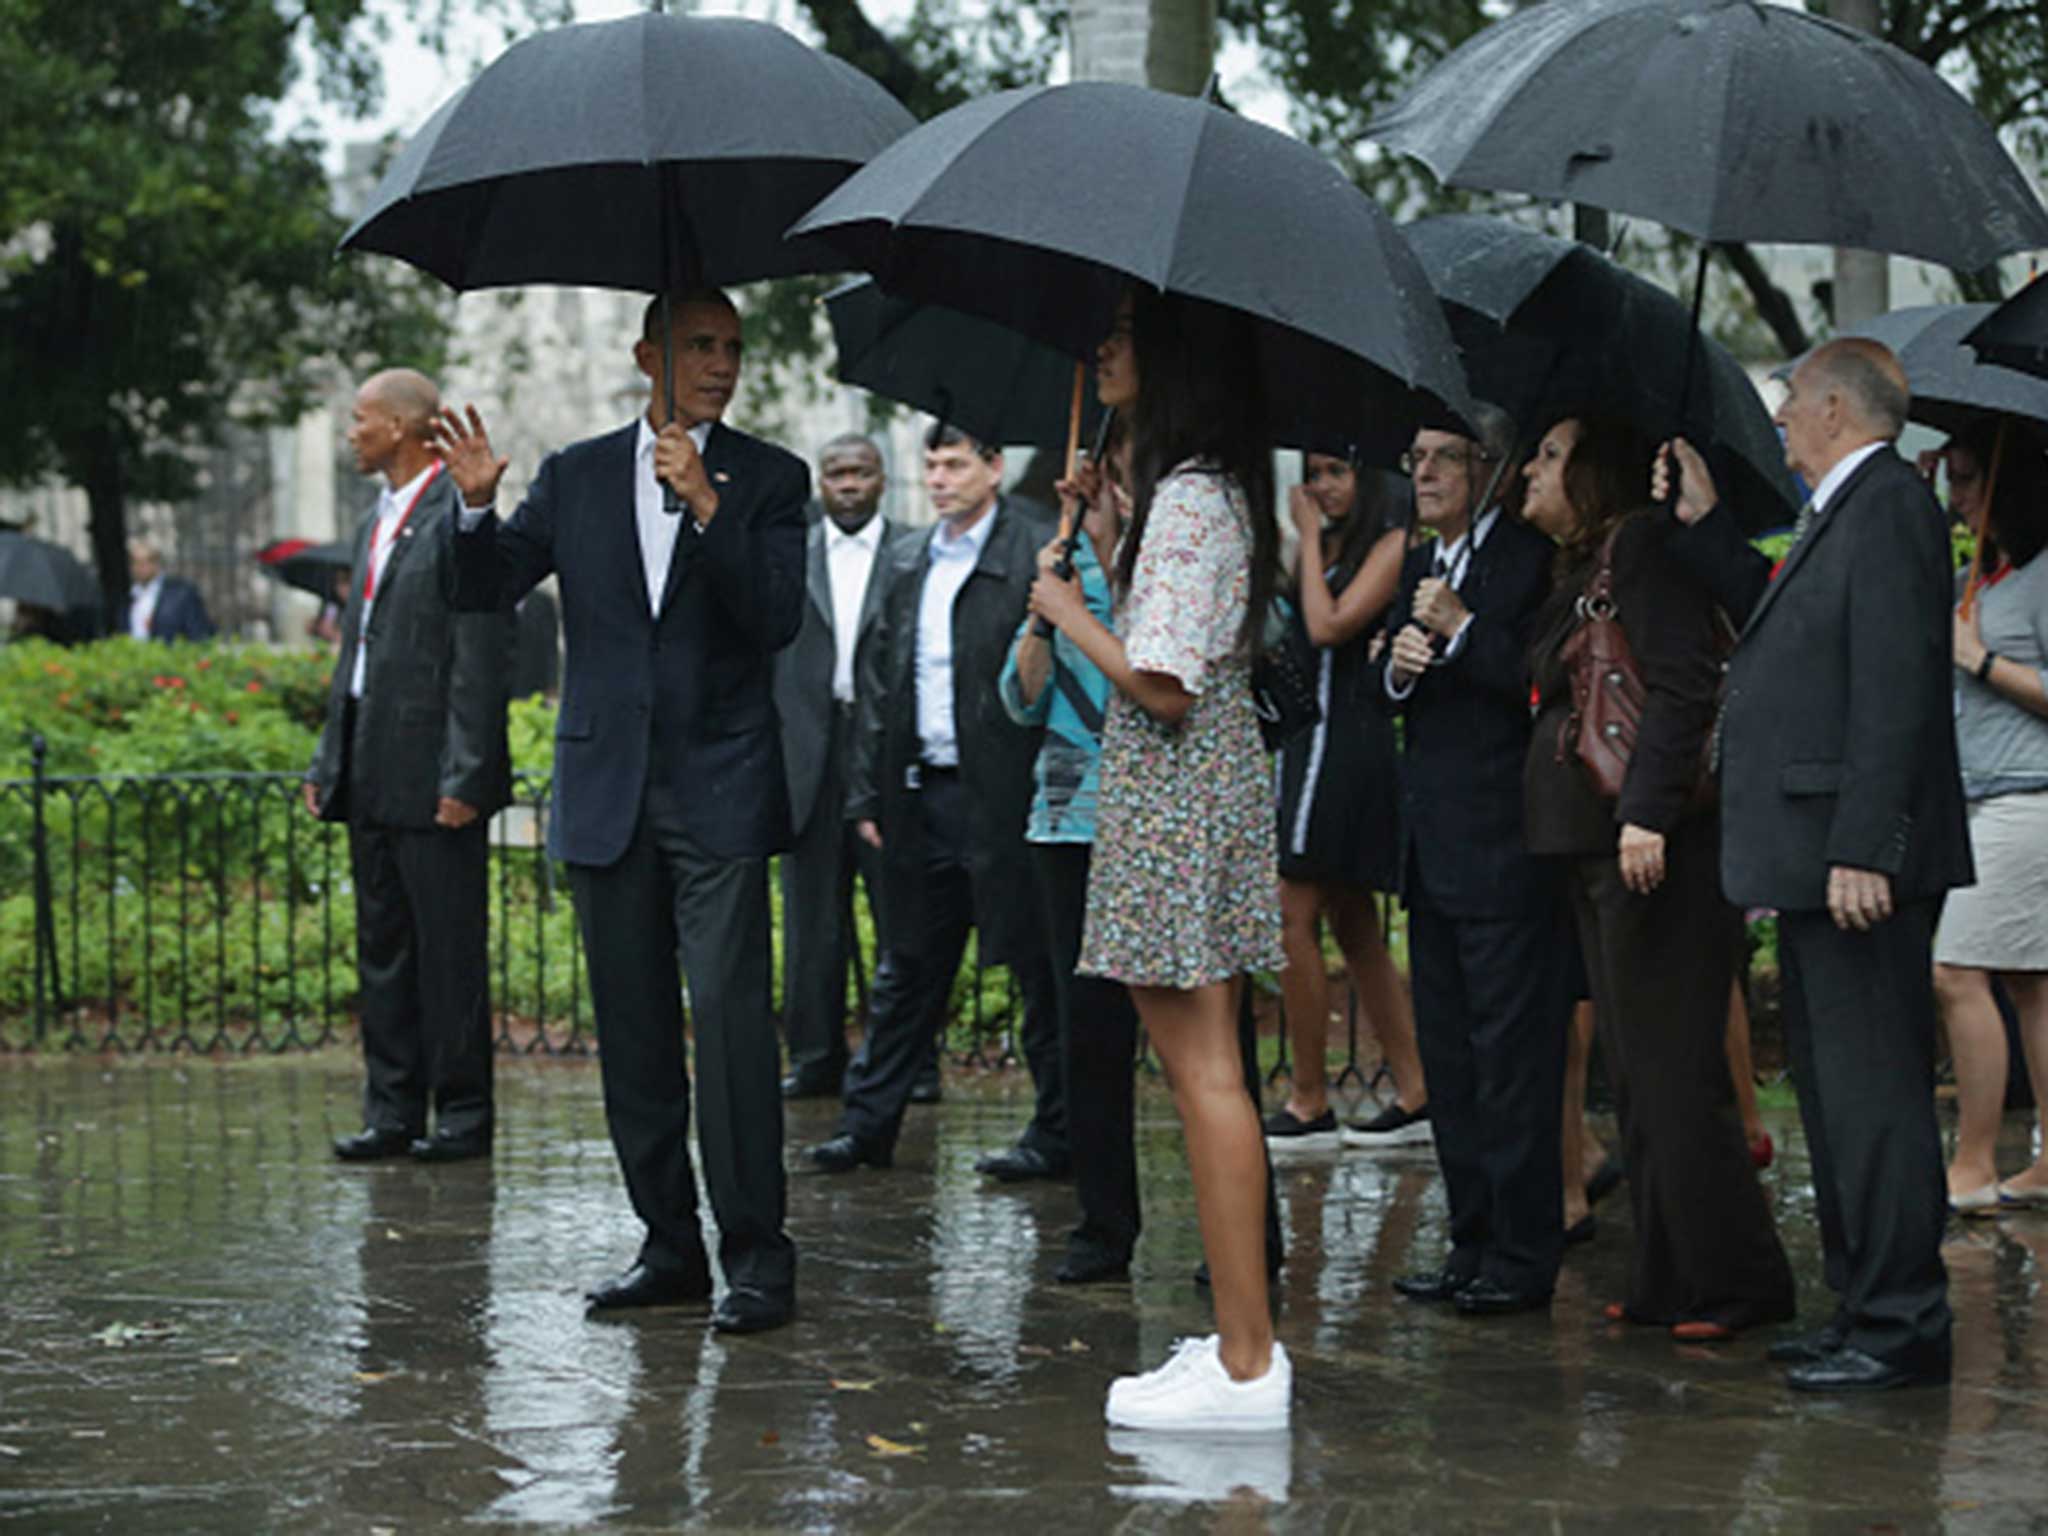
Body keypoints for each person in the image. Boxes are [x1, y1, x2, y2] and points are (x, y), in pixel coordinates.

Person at [432, 291, 807, 1335]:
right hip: (606, 794)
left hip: (721, 792)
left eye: (732, 348)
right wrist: (470, 509)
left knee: (731, 1033)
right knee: (634, 1035)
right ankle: (669, 1247)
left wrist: (706, 506)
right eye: (699, 345)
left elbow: (775, 618)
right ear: (648, 355)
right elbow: (484, 590)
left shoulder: (770, 479)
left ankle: (758, 1260)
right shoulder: (576, 474)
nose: (720, 364)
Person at [1660, 336, 1973, 1391]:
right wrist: (1703, 524)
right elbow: (1777, 624)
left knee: (1875, 1095)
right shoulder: (1838, 510)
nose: (1780, 417)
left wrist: (1861, 846)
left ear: (1835, 407)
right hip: (1807, 857)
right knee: (1836, 1100)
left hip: (1850, 860)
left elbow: (1895, 689)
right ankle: (1858, 1307)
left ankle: (1900, 1323)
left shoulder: (1886, 506)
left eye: (1791, 400)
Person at [1029, 288, 1289, 1431]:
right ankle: (1239, 1346)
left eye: (1125, 334)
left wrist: (1063, 607)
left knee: (1205, 1077)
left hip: (1175, 802)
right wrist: (1095, 539)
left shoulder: (1189, 501)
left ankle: (1244, 1362)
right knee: (1205, 1072)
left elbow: (1160, 681)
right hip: (1191, 798)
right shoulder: (1197, 496)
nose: (1105, 348)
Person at [1520, 413, 1794, 1340]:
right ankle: (1668, 1276)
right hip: (1605, 847)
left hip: (1653, 850)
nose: (1531, 470)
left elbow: (1684, 681)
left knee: (1674, 1074)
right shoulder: (1594, 563)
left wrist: (1647, 811)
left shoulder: (1643, 548)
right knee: (1638, 1074)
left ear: (1595, 476)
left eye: (1553, 456)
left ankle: (1740, 1282)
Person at [806, 427, 1065, 1180]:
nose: (940, 478)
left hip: (1010, 794)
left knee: (1036, 965)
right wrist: (867, 793)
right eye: (931, 465)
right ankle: (867, 1125)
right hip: (924, 791)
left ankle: (1057, 1131)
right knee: (908, 966)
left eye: (955, 464)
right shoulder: (908, 558)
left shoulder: (1033, 550)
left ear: (995, 466)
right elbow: (880, 680)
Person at [1382, 408, 1570, 1318]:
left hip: (1502, 849)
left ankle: (1524, 1253)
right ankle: (1469, 1240)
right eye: (1415, 458)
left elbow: (1541, 681)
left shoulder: (1527, 560)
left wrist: (1459, 631)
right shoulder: (1422, 561)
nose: (1422, 474)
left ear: (1489, 467)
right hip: (1432, 847)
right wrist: (1403, 661)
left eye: (1440, 458)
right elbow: (1392, 677)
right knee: (1450, 1061)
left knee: (1510, 1061)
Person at [305, 368, 513, 1164]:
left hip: (435, 775)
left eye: (360, 419)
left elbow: (481, 653)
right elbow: (352, 658)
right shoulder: (373, 521)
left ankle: (461, 1114)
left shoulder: (456, 513)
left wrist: (467, 774)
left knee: (449, 950)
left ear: (400, 425)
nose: (350, 432)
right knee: (383, 945)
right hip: (369, 765)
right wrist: (331, 758)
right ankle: (391, 1111)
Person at [1000, 425, 1144, 1282]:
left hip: (1155, 818)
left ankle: (1244, 1233)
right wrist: (1039, 619)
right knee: (1084, 1028)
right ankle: (1102, 1223)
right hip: (1066, 819)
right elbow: (1018, 702)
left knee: (1202, 1033)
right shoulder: (1061, 568)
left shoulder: (1172, 560)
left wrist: (1091, 581)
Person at [1264, 451, 1429, 1149]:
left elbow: (1329, 625)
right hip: (1310, 744)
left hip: (1343, 747)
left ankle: (1309, 1100)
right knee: (1354, 922)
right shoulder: (1325, 548)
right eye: (1313, 473)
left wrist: (1303, 536)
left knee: (1289, 912)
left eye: (1336, 472)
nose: (1321, 488)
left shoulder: (1392, 544)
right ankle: (1419, 1089)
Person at [1928, 418, 2048, 1212]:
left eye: (1968, 478)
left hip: (2026, 799)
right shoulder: (1990, 575)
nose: (1959, 493)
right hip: (1985, 799)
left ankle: (1973, 1161)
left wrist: (1983, 662)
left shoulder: (2041, 579)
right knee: (2033, 985)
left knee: (1955, 969)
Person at [773, 433, 908, 1102]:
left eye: (860, 472)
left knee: (901, 916)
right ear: (821, 482)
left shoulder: (912, 553)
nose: (848, 484)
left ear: (882, 479)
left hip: (883, 748)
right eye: (836, 474)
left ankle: (909, 1064)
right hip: (807, 749)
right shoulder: (790, 554)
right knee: (811, 919)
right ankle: (816, 1056)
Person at [121, 538, 215, 642]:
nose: (141, 566)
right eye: (136, 561)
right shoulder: (128, 597)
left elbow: (198, 632)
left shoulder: (181, 593)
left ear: (157, 563)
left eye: (148, 560)